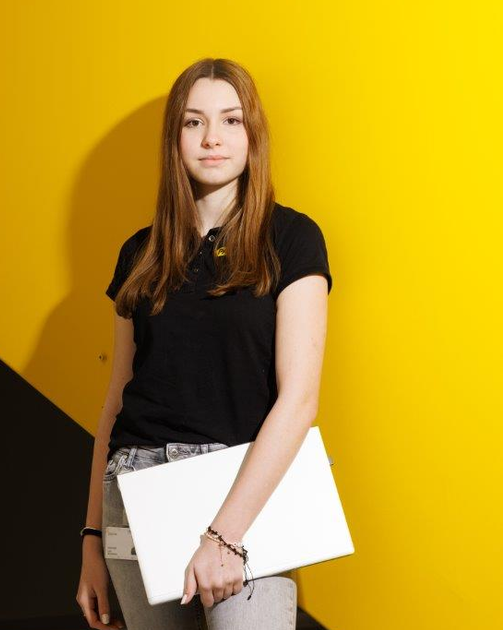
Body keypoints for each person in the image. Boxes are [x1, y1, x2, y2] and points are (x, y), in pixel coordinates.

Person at [76, 57, 333, 630]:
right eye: (193, 122)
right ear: (175, 138)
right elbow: (116, 400)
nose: (212, 138)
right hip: (135, 495)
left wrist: (224, 535)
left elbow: (299, 400)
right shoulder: (139, 252)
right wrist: (92, 537)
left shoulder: (292, 238)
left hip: (243, 490)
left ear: (253, 134)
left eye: (231, 120)